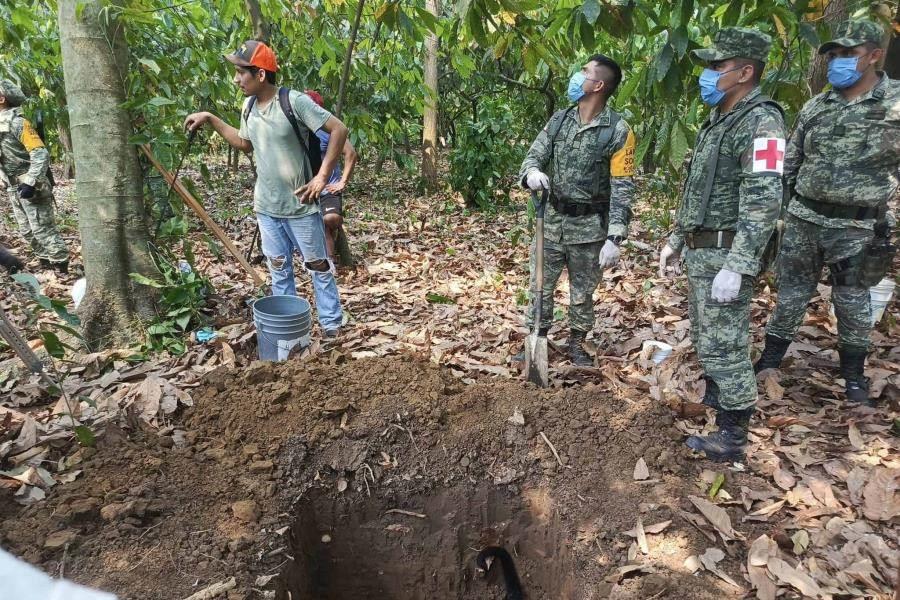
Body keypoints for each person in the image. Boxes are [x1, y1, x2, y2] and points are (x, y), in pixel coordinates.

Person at [755, 20, 898, 407]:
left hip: (857, 225)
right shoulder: (817, 106)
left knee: (852, 302)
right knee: (790, 295)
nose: (838, 62)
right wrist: (779, 213)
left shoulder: (894, 104)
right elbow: (791, 161)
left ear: (874, 55)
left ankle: (853, 378)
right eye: (833, 56)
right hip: (804, 219)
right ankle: (769, 361)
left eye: (848, 55)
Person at [658, 28, 786, 462]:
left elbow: (765, 197)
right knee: (706, 336)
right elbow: (698, 191)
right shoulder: (719, 121)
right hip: (703, 250)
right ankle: (717, 407)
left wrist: (740, 263)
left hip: (727, 253)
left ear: (745, 71)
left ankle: (732, 437)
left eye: (717, 67)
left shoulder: (762, 121)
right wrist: (677, 239)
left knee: (725, 345)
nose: (707, 75)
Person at [184, 41, 347, 336]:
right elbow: (245, 143)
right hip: (267, 208)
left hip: (300, 206)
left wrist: (322, 177)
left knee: (318, 267)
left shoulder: (293, 101)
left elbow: (339, 130)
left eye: (240, 73)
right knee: (279, 270)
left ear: (260, 75)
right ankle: (288, 331)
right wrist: (210, 118)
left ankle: (332, 325)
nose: (236, 79)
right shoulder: (248, 107)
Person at [517, 54, 636, 366]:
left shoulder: (619, 131)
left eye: (584, 71)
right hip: (551, 220)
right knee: (539, 284)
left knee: (582, 293)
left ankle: (576, 343)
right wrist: (531, 174)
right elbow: (534, 156)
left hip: (589, 228)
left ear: (597, 85)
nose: (576, 74)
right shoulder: (559, 120)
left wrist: (615, 237)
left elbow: (623, 187)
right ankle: (536, 340)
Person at [0, 80, 69, 273]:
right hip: (12, 187)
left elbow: (40, 153)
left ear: (2, 99)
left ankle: (61, 266)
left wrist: (31, 181)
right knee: (27, 231)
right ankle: (45, 261)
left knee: (42, 229)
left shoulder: (18, 123)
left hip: (31, 185)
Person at [304, 90, 358, 264]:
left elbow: (350, 153)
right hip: (306, 188)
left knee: (330, 220)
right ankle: (326, 263)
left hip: (328, 188)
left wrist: (343, 181)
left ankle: (327, 264)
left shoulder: (329, 131)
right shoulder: (299, 131)